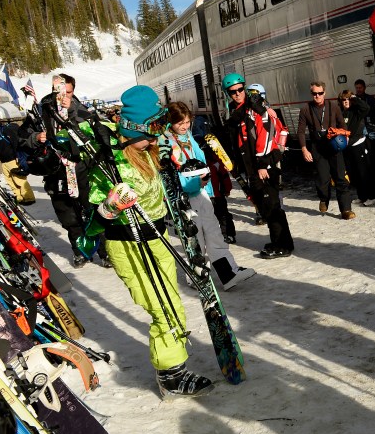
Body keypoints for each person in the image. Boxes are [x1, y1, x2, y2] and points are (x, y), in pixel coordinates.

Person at [80, 85, 213, 398]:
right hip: (129, 244)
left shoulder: (150, 151)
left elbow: (165, 188)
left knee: (173, 303)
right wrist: (110, 207)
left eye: (157, 133)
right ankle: (170, 374)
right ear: (131, 131)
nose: (155, 141)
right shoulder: (109, 163)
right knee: (161, 307)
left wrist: (190, 183)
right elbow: (93, 225)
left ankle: (174, 364)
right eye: (150, 135)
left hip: (157, 236)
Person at [161, 102, 255, 291]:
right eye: (180, 123)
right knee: (196, 239)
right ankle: (197, 275)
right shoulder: (166, 143)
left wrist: (208, 188)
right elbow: (170, 177)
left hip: (201, 194)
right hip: (185, 198)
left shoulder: (187, 136)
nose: (185, 126)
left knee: (214, 234)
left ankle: (228, 273)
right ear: (171, 122)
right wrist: (195, 184)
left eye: (187, 121)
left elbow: (200, 163)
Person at [21, 74, 107, 267]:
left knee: (92, 210)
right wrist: (36, 137)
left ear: (73, 91)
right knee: (68, 216)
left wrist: (73, 111)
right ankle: (79, 252)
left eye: (68, 92)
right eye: (59, 91)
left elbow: (97, 132)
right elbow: (23, 137)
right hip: (56, 172)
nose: (63, 96)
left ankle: (103, 251)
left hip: (83, 168)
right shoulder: (41, 110)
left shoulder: (82, 109)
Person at [222, 73, 294, 258]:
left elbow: (265, 136)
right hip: (251, 166)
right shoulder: (237, 110)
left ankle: (282, 246)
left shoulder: (256, 108)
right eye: (232, 92)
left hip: (264, 164)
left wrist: (263, 164)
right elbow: (236, 138)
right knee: (264, 205)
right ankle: (279, 241)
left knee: (271, 204)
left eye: (240, 89)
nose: (237, 94)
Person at [296, 81, 355, 219]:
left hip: (334, 145)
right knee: (323, 179)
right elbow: (300, 132)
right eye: (314, 93)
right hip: (318, 147)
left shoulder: (333, 106)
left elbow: (343, 124)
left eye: (320, 93)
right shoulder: (305, 109)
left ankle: (345, 209)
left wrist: (345, 137)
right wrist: (304, 149)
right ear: (311, 94)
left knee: (340, 177)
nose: (317, 96)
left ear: (324, 93)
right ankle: (323, 199)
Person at [192, 115, 236, 244]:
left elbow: (223, 175)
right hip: (207, 193)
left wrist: (227, 188)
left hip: (217, 193)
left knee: (222, 214)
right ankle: (216, 235)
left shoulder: (214, 161)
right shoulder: (208, 161)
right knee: (212, 216)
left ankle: (227, 234)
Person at [337, 89, 375, 206]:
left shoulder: (356, 111)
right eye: (343, 99)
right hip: (347, 147)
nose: (346, 101)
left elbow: (366, 108)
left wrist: (354, 98)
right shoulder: (341, 113)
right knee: (354, 174)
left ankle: (372, 196)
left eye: (348, 99)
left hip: (359, 144)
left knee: (364, 173)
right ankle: (362, 196)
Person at [0, 118, 36, 205]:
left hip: (13, 159)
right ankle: (19, 198)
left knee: (19, 179)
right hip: (4, 161)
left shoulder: (4, 131)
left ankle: (29, 198)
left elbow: (15, 142)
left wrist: (18, 156)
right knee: (10, 180)